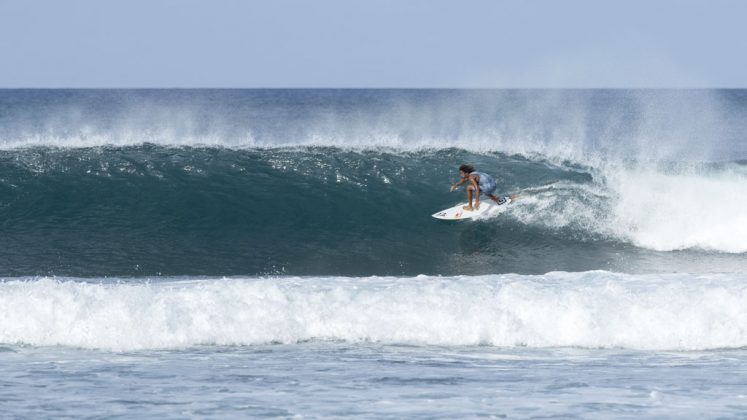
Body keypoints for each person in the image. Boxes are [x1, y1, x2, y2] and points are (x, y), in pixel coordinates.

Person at [449, 164, 514, 211]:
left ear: (466, 173)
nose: (460, 174)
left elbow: (477, 188)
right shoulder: (473, 173)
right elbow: (464, 179)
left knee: (469, 187)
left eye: (461, 173)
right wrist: (456, 185)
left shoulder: (471, 177)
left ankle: (470, 207)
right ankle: (495, 198)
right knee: (481, 185)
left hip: (489, 188)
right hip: (493, 184)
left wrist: (477, 201)